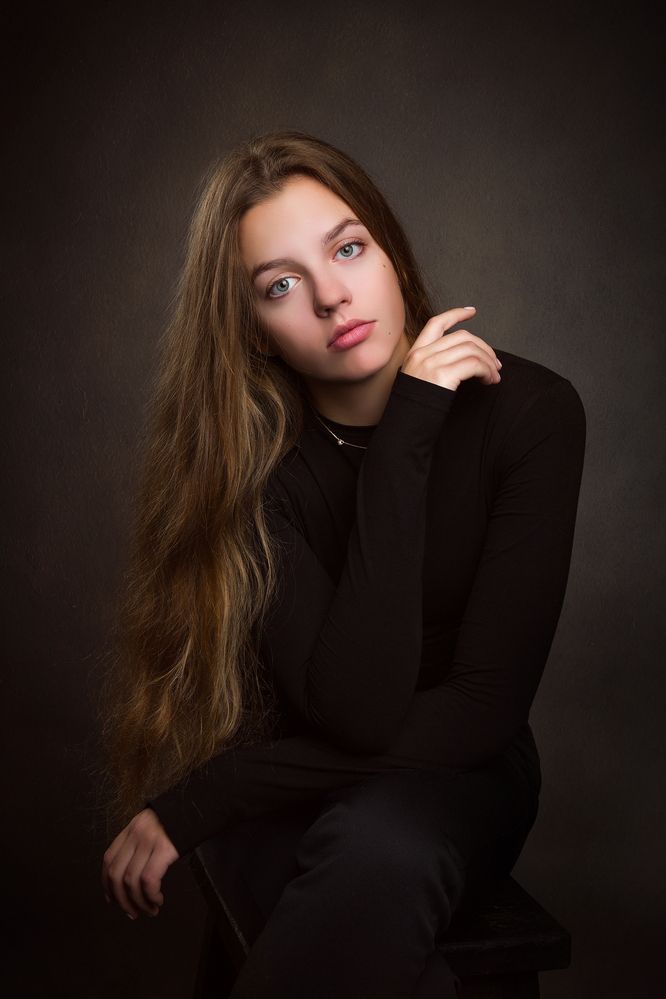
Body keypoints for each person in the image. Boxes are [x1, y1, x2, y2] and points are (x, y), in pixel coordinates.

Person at [99, 130, 586, 998]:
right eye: (280, 285)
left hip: (463, 775)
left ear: (390, 251)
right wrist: (405, 435)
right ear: (253, 331)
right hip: (304, 777)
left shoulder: (532, 414)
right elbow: (356, 705)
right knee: (357, 871)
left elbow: (481, 712)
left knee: (381, 843)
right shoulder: (252, 468)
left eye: (348, 249)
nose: (331, 296)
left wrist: (220, 790)